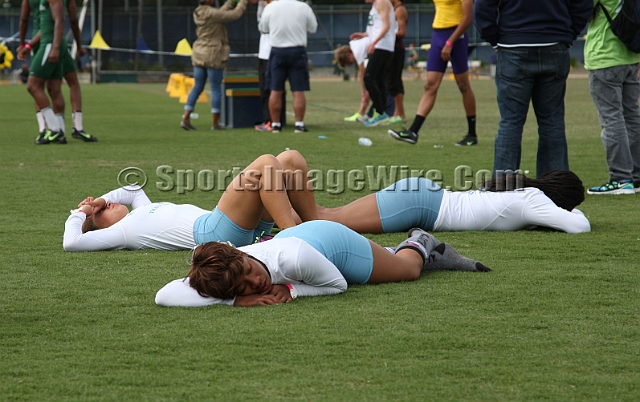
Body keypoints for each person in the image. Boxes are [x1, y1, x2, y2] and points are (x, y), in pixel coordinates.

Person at [155, 221, 491, 307]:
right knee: (387, 261)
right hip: (306, 242)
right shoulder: (222, 267)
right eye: (242, 286)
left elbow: (337, 285)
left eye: (249, 273)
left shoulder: (292, 259)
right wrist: (236, 298)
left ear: (242, 255)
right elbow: (164, 295)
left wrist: (291, 290)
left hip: (334, 247)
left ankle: (420, 241)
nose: (254, 284)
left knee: (406, 271)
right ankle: (390, 251)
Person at [63, 150, 318, 252]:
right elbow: (72, 243)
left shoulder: (140, 211)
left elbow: (132, 188)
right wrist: (80, 212)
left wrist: (97, 202)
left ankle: (315, 228)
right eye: (101, 214)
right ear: (102, 228)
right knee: (266, 163)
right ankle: (294, 242)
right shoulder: (122, 233)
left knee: (290, 159)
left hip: (234, 227)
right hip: (215, 232)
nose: (107, 206)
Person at [474, 0, 593, 178]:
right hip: (555, 46)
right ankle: (555, 188)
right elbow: (584, 3)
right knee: (552, 121)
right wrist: (567, 35)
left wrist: (495, 39)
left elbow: (482, 4)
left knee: (511, 121)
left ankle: (503, 188)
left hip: (513, 47)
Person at [308, 170, 590, 234]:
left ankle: (284, 187)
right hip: (420, 205)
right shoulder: (534, 200)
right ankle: (278, 203)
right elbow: (580, 227)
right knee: (324, 220)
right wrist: (566, 209)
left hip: (423, 196)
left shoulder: (527, 190)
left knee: (323, 213)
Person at [388, 0, 477, 146]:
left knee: (463, 85)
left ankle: (472, 134)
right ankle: (413, 132)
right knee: (430, 85)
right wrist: (441, 40)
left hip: (456, 38)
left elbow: (468, 18)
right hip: (438, 35)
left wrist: (450, 42)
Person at [18, 0, 98, 145]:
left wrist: (51, 47)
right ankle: (64, 128)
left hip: (49, 44)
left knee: (33, 85)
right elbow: (55, 23)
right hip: (51, 43)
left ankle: (53, 129)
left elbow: (59, 21)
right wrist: (29, 46)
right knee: (55, 87)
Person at [584, 0, 640, 195]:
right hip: (631, 56)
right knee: (631, 117)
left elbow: (579, 6)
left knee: (612, 118)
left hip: (604, 56)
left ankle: (620, 178)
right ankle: (636, 177)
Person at [180, 0, 252, 131]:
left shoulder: (199, 12)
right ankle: (215, 123)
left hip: (199, 52)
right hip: (213, 53)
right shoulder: (212, 13)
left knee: (197, 86)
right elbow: (233, 15)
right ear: (207, 0)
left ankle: (186, 117)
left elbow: (220, 13)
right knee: (216, 88)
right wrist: (243, 1)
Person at [258, 0, 317, 133]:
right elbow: (313, 28)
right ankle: (299, 124)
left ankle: (275, 124)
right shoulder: (303, 7)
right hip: (297, 51)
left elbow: (263, 28)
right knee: (298, 90)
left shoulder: (271, 8)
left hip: (277, 51)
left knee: (275, 89)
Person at [351, 0, 397, 128]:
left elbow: (386, 25)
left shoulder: (382, 1)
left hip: (383, 45)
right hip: (380, 44)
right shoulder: (376, 4)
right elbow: (376, 27)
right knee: (378, 79)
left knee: (369, 77)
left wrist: (374, 42)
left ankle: (380, 111)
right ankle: (381, 112)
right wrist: (364, 35)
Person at [254, 0, 285, 132]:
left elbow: (262, 28)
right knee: (270, 88)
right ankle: (274, 120)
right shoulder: (267, 6)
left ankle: (272, 121)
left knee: (270, 88)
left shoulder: (273, 7)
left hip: (270, 52)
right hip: (265, 52)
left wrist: (261, 5)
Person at [382, 0, 408, 125]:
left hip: (397, 48)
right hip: (391, 48)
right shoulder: (392, 9)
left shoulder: (399, 10)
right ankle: (397, 113)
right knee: (392, 81)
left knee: (394, 81)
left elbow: (402, 32)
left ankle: (401, 114)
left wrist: (387, 34)